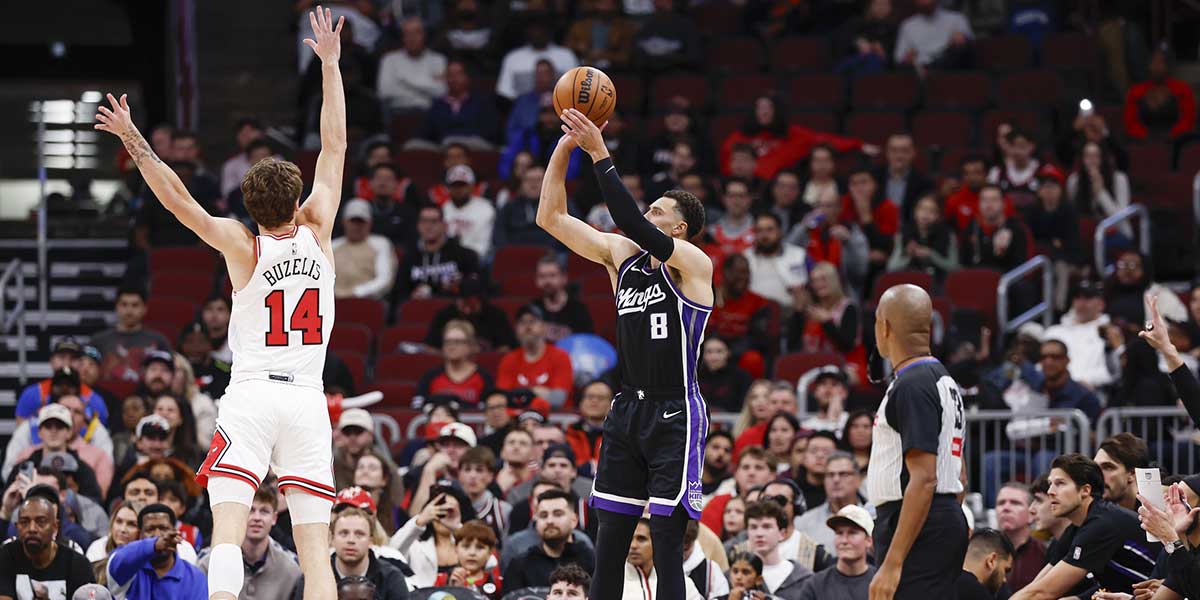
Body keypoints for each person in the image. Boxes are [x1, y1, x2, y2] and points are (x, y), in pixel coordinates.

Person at [95, 10, 345, 600]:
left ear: (248, 204)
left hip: (254, 391)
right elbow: (333, 142)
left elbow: (179, 201)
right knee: (316, 552)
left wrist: (134, 138)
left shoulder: (241, 243)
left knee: (227, 534)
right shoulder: (320, 227)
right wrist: (331, 67)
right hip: (308, 398)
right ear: (298, 197)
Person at [540, 108, 715, 600]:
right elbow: (549, 217)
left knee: (665, 543)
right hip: (627, 409)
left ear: (678, 230)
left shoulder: (693, 264)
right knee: (609, 540)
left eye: (658, 212)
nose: (648, 215)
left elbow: (628, 220)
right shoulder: (621, 258)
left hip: (676, 410)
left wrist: (600, 151)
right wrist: (567, 146)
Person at [867, 284, 968, 600]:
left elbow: (924, 479)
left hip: (917, 523)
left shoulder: (912, 385)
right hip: (936, 518)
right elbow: (958, 473)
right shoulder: (941, 379)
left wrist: (893, 564)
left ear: (884, 327)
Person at [1012, 454, 1160, 599]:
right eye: (1051, 484)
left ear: (1085, 490)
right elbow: (1036, 586)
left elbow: (1043, 592)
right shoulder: (1076, 528)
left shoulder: (1103, 524)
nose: (1050, 491)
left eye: (1060, 483)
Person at [198, 484, 301, 600]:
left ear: (274, 518)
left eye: (264, 511)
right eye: (250, 510)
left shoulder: (292, 569)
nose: (257, 518)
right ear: (239, 516)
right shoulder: (208, 562)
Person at [0, 487, 94, 599]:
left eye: (41, 522)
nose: (32, 528)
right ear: (17, 527)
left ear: (55, 527)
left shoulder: (77, 565)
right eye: (24, 522)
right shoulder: (7, 555)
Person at [107, 504, 207, 599]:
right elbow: (118, 560)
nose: (157, 534)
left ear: (175, 532)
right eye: (150, 529)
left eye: (164, 528)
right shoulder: (129, 568)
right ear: (140, 535)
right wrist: (154, 545)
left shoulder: (195, 577)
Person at [502, 489, 595, 589]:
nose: (549, 521)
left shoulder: (592, 560)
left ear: (574, 520)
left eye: (558, 514)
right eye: (543, 515)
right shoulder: (520, 565)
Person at [317, 507, 408, 599]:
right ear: (332, 539)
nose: (351, 540)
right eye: (344, 533)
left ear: (371, 541)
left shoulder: (391, 578)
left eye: (359, 534)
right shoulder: (316, 577)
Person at [396, 204, 481, 301]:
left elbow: (476, 287)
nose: (428, 226)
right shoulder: (409, 258)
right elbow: (399, 293)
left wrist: (458, 286)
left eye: (434, 221)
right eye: (424, 221)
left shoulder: (465, 255)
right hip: (419, 310)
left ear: (444, 225)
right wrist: (411, 296)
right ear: (418, 226)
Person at [15, 340, 109, 428]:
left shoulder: (94, 399)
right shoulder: (33, 394)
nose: (66, 363)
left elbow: (100, 436)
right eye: (62, 357)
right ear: (52, 361)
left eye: (73, 358)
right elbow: (21, 434)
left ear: (80, 363)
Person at [497, 305, 574, 410]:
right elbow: (502, 400)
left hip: (553, 420)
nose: (527, 327)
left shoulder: (560, 357)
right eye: (522, 322)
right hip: (518, 420)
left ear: (544, 327)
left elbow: (557, 400)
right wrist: (539, 392)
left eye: (532, 321)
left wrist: (522, 394)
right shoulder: (508, 360)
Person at [89, 288, 174, 383]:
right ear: (117, 307)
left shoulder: (159, 340)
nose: (129, 311)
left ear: (144, 309)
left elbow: (170, 373)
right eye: (124, 304)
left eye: (135, 305)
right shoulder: (98, 340)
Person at [794, 452, 872, 555]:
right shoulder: (803, 523)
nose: (836, 480)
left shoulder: (873, 517)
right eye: (830, 475)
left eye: (843, 474)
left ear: (858, 479)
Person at [796, 505, 877, 600]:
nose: (844, 540)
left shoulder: (882, 582)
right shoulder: (815, 586)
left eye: (852, 533)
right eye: (839, 533)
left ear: (868, 540)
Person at [1124, 45, 1197, 141]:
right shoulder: (1136, 91)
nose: (1156, 67)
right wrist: (1147, 136)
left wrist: (1171, 136)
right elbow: (1131, 123)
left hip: (1175, 142)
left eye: (1161, 63)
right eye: (1153, 62)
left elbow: (1187, 120)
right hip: (1143, 143)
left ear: (1169, 66)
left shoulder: (1182, 89)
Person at [743, 500, 812, 599]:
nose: (759, 534)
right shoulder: (732, 577)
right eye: (753, 527)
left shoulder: (805, 579)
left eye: (767, 527)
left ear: (782, 534)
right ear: (747, 533)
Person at [494, 19, 578, 101]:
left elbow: (576, 89)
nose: (537, 33)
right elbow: (505, 93)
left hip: (561, 107)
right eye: (534, 29)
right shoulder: (513, 58)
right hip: (523, 108)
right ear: (527, 32)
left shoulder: (566, 55)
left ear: (549, 31)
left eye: (541, 29)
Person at [331, 199, 397, 301]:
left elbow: (384, 279)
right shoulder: (333, 246)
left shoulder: (381, 244)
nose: (357, 226)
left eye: (361, 222)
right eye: (353, 221)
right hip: (334, 300)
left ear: (369, 223)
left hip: (369, 302)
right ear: (344, 222)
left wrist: (356, 292)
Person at [376, 18, 446, 114]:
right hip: (399, 113)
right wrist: (427, 85)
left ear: (424, 35)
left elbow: (441, 92)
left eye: (416, 33)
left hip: (431, 114)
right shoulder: (389, 60)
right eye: (407, 33)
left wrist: (404, 81)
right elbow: (385, 92)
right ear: (402, 37)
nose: (412, 38)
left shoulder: (438, 60)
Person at [622, 518, 704, 599]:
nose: (633, 546)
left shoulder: (681, 583)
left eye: (641, 539)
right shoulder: (614, 581)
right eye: (630, 539)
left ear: (655, 542)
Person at [886, 193, 959, 283]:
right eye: (922, 209)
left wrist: (931, 254)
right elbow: (891, 267)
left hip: (938, 282)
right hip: (910, 282)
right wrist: (908, 254)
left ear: (939, 215)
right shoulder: (904, 233)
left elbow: (954, 267)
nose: (925, 214)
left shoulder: (947, 234)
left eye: (932, 211)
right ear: (915, 211)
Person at [743, 212, 808, 310]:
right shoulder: (745, 258)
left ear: (780, 231)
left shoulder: (799, 255)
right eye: (759, 230)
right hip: (753, 314)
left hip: (792, 314)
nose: (764, 235)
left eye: (769, 230)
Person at [992, 483, 1045, 595]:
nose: (1006, 508)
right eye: (1001, 503)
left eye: (1015, 503)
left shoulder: (1044, 554)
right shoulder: (982, 551)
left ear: (1032, 514)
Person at [530, 254, 594, 342]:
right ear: (536, 280)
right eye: (542, 276)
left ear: (564, 278)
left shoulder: (578, 309)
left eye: (552, 275)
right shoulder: (532, 309)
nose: (547, 281)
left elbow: (588, 342)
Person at [893, 0, 972, 68]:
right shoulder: (907, 25)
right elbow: (899, 59)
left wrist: (961, 39)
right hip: (919, 72)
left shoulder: (957, 19)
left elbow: (969, 47)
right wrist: (907, 58)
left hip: (950, 71)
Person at [433, 520, 502, 597]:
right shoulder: (441, 580)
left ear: (489, 553)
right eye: (466, 547)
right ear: (456, 549)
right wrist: (453, 590)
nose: (472, 553)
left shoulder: (498, 583)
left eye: (480, 548)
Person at [457, 447, 512, 543]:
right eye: (467, 469)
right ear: (459, 474)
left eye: (479, 470)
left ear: (490, 476)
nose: (472, 476)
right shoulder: (450, 507)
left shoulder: (503, 510)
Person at [441, 165, 496, 259]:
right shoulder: (442, 209)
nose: (458, 189)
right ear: (448, 188)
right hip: (446, 260)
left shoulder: (486, 209)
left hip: (476, 258)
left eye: (463, 185)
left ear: (472, 186)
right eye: (454, 185)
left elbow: (483, 246)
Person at [564, 380, 613, 471]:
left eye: (601, 398)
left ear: (611, 404)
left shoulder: (619, 436)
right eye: (590, 397)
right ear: (581, 403)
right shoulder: (568, 434)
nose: (594, 401)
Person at [1094, 433, 1149, 512]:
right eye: (1096, 468)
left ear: (1132, 474)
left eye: (1108, 468)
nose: (1097, 475)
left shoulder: (1162, 511)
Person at [698, 337, 754, 414]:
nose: (714, 357)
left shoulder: (741, 376)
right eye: (709, 352)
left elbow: (745, 405)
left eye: (719, 351)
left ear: (728, 352)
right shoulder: (695, 377)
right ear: (702, 354)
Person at [956, 528, 1015, 600]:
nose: (1004, 579)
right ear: (991, 560)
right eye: (1005, 570)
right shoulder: (976, 593)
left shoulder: (944, 578)